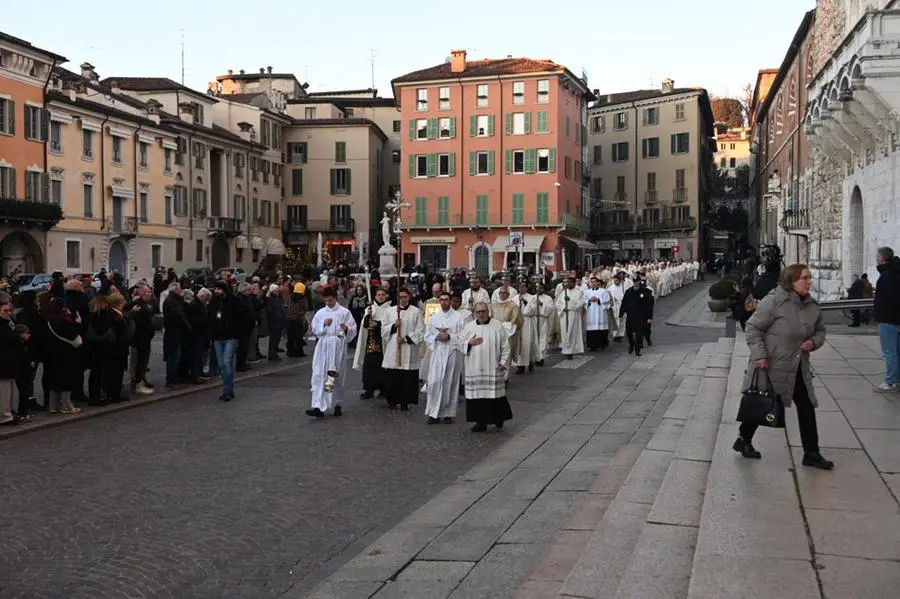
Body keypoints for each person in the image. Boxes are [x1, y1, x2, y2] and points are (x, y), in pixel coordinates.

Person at [735, 263, 833, 470]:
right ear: (792, 281)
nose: (809, 282)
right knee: (763, 403)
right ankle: (744, 439)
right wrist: (759, 355)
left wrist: (813, 342)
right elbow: (752, 328)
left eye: (809, 277)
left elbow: (820, 331)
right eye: (804, 278)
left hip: (798, 365)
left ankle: (811, 453)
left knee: (806, 406)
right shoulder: (774, 301)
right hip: (771, 365)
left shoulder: (812, 306)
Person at [461, 302, 512, 432]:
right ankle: (480, 422)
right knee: (478, 397)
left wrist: (503, 361)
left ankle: (499, 418)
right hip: (475, 367)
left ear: (488, 312)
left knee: (495, 395)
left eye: (483, 311)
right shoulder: (469, 327)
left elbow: (505, 346)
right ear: (474, 313)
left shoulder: (497, 326)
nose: (481, 314)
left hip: (493, 367)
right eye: (478, 312)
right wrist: (469, 343)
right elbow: (459, 344)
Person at [306, 286, 357, 418]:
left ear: (335, 298)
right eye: (326, 300)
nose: (328, 303)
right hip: (323, 345)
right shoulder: (320, 313)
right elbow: (315, 329)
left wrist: (346, 329)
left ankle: (336, 404)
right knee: (319, 374)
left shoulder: (344, 312)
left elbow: (352, 329)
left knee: (335, 375)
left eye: (330, 300)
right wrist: (323, 324)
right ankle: (318, 405)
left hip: (337, 345)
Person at [424, 291, 464, 424]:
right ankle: (433, 413)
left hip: (452, 352)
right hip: (438, 352)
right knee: (434, 382)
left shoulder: (458, 317)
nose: (443, 302)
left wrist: (449, 337)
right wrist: (436, 337)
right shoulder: (434, 317)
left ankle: (448, 413)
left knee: (450, 382)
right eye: (441, 300)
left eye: (446, 300)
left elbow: (463, 335)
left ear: (451, 301)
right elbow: (427, 335)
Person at [381, 287, 424, 411]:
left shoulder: (416, 312)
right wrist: (394, 326)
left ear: (409, 297)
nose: (403, 299)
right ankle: (392, 400)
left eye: (405, 297)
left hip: (409, 349)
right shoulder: (390, 311)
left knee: (407, 377)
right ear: (397, 298)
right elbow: (383, 329)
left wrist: (405, 339)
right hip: (394, 347)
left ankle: (406, 401)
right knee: (393, 376)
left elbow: (421, 331)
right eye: (400, 297)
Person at [209, 280, 248, 402]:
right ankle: (227, 387)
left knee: (227, 362)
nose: (216, 291)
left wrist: (236, 331)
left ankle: (227, 390)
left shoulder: (234, 302)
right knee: (221, 364)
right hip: (217, 337)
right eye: (215, 289)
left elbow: (242, 317)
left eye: (219, 289)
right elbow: (209, 317)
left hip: (230, 337)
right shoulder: (214, 302)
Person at [352, 287, 392, 399]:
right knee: (369, 365)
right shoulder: (370, 308)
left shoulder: (389, 309)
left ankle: (383, 388)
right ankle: (368, 389)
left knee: (383, 366)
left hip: (382, 341)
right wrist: (368, 315)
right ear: (375, 296)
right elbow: (364, 324)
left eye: (382, 295)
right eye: (378, 295)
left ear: (386, 296)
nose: (380, 297)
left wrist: (377, 324)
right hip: (370, 340)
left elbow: (389, 325)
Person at [874, 247, 900, 392]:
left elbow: (887, 298)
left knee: (890, 352)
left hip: (888, 318)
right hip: (897, 318)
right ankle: (897, 380)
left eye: (877, 257)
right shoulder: (896, 271)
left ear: (882, 259)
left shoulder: (887, 275)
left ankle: (890, 381)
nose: (876, 259)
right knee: (897, 351)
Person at [619, 275, 654, 357]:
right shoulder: (628, 291)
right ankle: (631, 344)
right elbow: (624, 303)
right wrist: (621, 314)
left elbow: (649, 306)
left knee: (639, 333)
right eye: (634, 281)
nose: (636, 283)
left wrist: (649, 317)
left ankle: (637, 350)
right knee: (629, 332)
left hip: (641, 316)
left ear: (639, 281)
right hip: (630, 315)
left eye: (637, 281)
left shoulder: (645, 291)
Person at [555, 275, 585, 360]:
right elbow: (558, 304)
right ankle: (566, 350)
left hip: (573, 314)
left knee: (572, 332)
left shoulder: (578, 292)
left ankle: (572, 350)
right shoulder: (563, 293)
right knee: (565, 333)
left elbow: (580, 304)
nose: (568, 284)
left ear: (574, 283)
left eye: (570, 282)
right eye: (567, 282)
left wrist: (570, 302)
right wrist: (563, 308)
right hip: (564, 315)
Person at [583, 276, 612, 351]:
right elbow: (583, 301)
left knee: (601, 328)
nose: (593, 283)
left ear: (597, 282)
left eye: (594, 282)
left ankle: (602, 344)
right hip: (591, 313)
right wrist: (589, 301)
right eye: (591, 282)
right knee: (591, 329)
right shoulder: (587, 292)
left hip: (600, 312)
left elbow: (607, 301)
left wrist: (598, 300)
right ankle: (592, 346)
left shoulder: (603, 291)